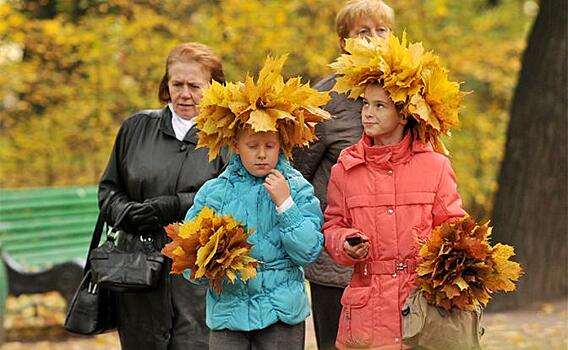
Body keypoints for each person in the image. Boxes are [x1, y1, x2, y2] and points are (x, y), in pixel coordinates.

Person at [323, 33, 467, 349]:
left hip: (420, 305)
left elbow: (454, 228)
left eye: (379, 106)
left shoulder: (435, 166)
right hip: (367, 309)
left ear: (403, 115)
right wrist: (345, 243)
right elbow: (332, 226)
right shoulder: (346, 169)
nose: (368, 113)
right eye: (365, 104)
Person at [183, 56, 330, 350]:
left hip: (281, 317)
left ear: (281, 145)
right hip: (229, 316)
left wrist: (286, 206)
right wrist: (211, 261)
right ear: (236, 146)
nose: (261, 154)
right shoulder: (214, 192)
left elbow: (309, 252)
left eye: (269, 146)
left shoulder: (296, 188)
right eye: (253, 146)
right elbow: (189, 265)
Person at [98, 42, 227, 349]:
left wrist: (176, 205)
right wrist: (123, 212)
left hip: (199, 274)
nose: (184, 94)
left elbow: (232, 196)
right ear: (166, 85)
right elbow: (109, 188)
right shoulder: (136, 128)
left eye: (195, 86)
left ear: (215, 87)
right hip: (138, 271)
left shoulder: (228, 137)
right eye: (176, 84)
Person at [291, 1, 395, 348]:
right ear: (343, 42)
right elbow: (298, 174)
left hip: (394, 260)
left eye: (382, 30)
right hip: (336, 263)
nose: (374, 39)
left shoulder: (409, 91)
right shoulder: (324, 98)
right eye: (363, 32)